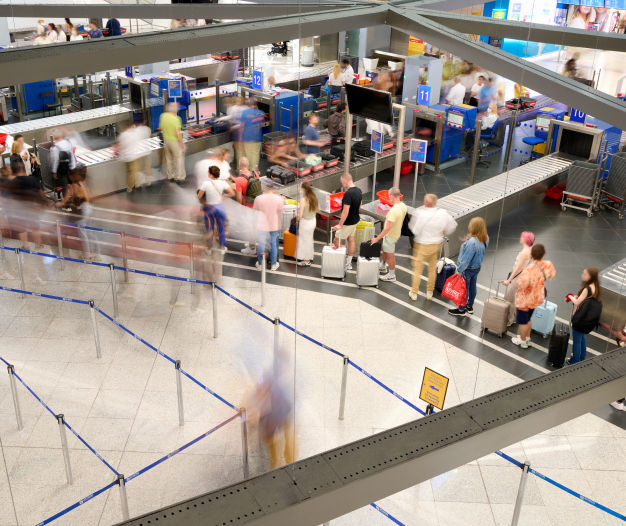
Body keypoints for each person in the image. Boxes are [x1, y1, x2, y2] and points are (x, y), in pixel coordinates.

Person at [408, 194, 457, 300]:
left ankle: (414, 292)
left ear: (427, 202)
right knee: (432, 268)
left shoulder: (422, 214)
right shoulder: (442, 213)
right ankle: (429, 292)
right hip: (436, 245)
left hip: (422, 245)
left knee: (418, 269)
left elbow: (415, 230)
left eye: (424, 200)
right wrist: (445, 231)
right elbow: (453, 224)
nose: (423, 202)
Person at [511, 244, 556, 348]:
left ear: (531, 255)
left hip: (525, 300)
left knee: (522, 321)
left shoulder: (529, 269)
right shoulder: (548, 264)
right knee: (528, 318)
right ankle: (527, 338)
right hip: (537, 297)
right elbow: (552, 274)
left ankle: (522, 342)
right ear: (543, 254)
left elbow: (521, 284)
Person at [55, 170, 100, 260]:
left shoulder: (71, 186)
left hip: (82, 210)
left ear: (71, 176)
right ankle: (96, 253)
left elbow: (65, 201)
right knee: (90, 231)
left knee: (82, 232)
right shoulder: (82, 184)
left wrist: (58, 204)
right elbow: (88, 198)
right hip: (89, 208)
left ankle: (87, 254)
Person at [448, 217, 489, 317]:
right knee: (472, 287)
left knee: (464, 289)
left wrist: (460, 270)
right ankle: (469, 307)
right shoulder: (485, 237)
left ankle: (461, 310)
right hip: (477, 267)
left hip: (468, 269)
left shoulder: (471, 243)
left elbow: (466, 260)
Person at [371, 187, 407, 283]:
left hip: (391, 235)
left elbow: (387, 229)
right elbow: (397, 212)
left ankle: (391, 275)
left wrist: (376, 239)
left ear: (391, 196)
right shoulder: (402, 206)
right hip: (396, 233)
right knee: (385, 249)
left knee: (390, 255)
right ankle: (383, 266)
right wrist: (389, 208)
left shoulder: (393, 212)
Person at [565, 267, 600, 365]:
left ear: (591, 277)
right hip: (587, 318)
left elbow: (577, 303)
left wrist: (570, 296)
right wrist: (577, 297)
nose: (582, 276)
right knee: (582, 338)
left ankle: (575, 361)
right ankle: (582, 358)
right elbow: (584, 300)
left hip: (579, 319)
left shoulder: (587, 288)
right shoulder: (595, 287)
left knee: (576, 341)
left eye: (585, 274)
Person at [198, 166, 235, 255]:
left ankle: (209, 248)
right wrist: (223, 196)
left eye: (208, 172)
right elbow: (232, 193)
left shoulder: (205, 184)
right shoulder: (223, 183)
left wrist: (205, 201)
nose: (207, 174)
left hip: (209, 208)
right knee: (221, 227)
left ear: (211, 174)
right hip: (220, 207)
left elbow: (199, 196)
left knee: (210, 229)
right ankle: (222, 248)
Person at [502, 231, 534, 326]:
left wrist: (508, 280)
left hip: (517, 278)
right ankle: (515, 318)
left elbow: (516, 268)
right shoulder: (530, 250)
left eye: (522, 237)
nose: (520, 238)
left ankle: (509, 320)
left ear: (525, 240)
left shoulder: (523, 253)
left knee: (509, 298)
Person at [332, 173, 362, 271]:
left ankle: (339, 261)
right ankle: (348, 263)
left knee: (336, 241)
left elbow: (345, 212)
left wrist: (340, 225)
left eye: (342, 182)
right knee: (351, 240)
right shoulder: (359, 190)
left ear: (345, 181)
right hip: (355, 220)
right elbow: (360, 204)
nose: (342, 184)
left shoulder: (348, 194)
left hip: (347, 223)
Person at [253, 180, 285, 271]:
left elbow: (255, 213)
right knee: (273, 244)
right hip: (273, 225)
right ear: (272, 187)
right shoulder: (278, 199)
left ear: (264, 187)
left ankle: (260, 264)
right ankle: (274, 264)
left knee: (261, 244)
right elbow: (280, 210)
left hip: (261, 225)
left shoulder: (258, 198)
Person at [235, 157, 260, 255]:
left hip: (247, 206)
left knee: (249, 226)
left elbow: (239, 197)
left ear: (239, 165)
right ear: (248, 164)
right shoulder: (255, 173)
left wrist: (239, 207)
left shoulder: (239, 179)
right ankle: (253, 241)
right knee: (255, 225)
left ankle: (252, 248)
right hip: (257, 204)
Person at [160, 102, 186, 182]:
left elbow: (161, 128)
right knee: (179, 159)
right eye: (177, 108)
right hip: (174, 141)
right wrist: (182, 144)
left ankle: (170, 176)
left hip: (166, 140)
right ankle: (179, 177)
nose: (178, 109)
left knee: (169, 159)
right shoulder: (176, 118)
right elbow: (177, 133)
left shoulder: (163, 116)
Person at [296, 182, 318, 266]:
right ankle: (310, 256)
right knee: (309, 239)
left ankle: (307, 260)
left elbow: (300, 215)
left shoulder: (303, 200)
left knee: (304, 241)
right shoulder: (314, 197)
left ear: (304, 189)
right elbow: (318, 209)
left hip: (305, 223)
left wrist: (296, 214)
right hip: (312, 221)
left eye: (301, 188)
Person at [238, 101, 264, 172]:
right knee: (255, 154)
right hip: (257, 137)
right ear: (256, 105)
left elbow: (242, 125)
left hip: (247, 136)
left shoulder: (245, 112)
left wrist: (240, 137)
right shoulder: (261, 113)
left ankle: (248, 169)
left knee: (248, 152)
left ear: (249, 105)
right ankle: (255, 171)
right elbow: (260, 124)